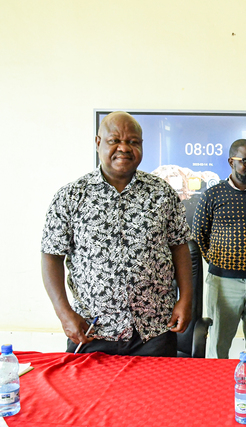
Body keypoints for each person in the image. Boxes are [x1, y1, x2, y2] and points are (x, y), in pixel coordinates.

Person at [41, 111, 192, 357]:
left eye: (133, 142)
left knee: (158, 385)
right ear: (98, 142)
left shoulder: (162, 193)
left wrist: (185, 299)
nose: (124, 148)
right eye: (115, 141)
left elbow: (179, 247)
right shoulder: (71, 196)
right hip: (92, 330)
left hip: (154, 330)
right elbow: (51, 255)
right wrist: (64, 313)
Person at [192, 139, 246, 359]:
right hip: (222, 283)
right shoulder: (212, 195)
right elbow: (199, 235)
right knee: (218, 345)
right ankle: (219, 382)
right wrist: (220, 261)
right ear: (231, 162)